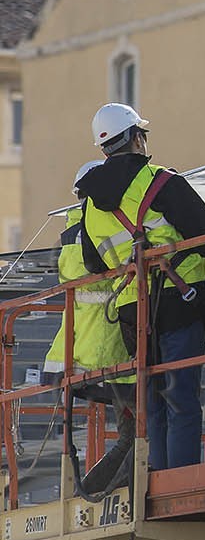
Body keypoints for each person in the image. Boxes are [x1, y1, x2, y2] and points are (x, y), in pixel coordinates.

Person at [77, 103, 205, 475]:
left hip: (131, 312)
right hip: (178, 301)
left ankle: (158, 478)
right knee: (182, 399)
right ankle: (181, 479)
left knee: (154, 401)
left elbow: (94, 264)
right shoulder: (161, 181)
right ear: (137, 138)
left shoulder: (91, 206)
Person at [48, 161, 136, 492]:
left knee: (131, 435)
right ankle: (100, 490)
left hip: (87, 347)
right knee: (140, 432)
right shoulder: (102, 224)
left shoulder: (72, 229)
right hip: (113, 345)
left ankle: (91, 490)